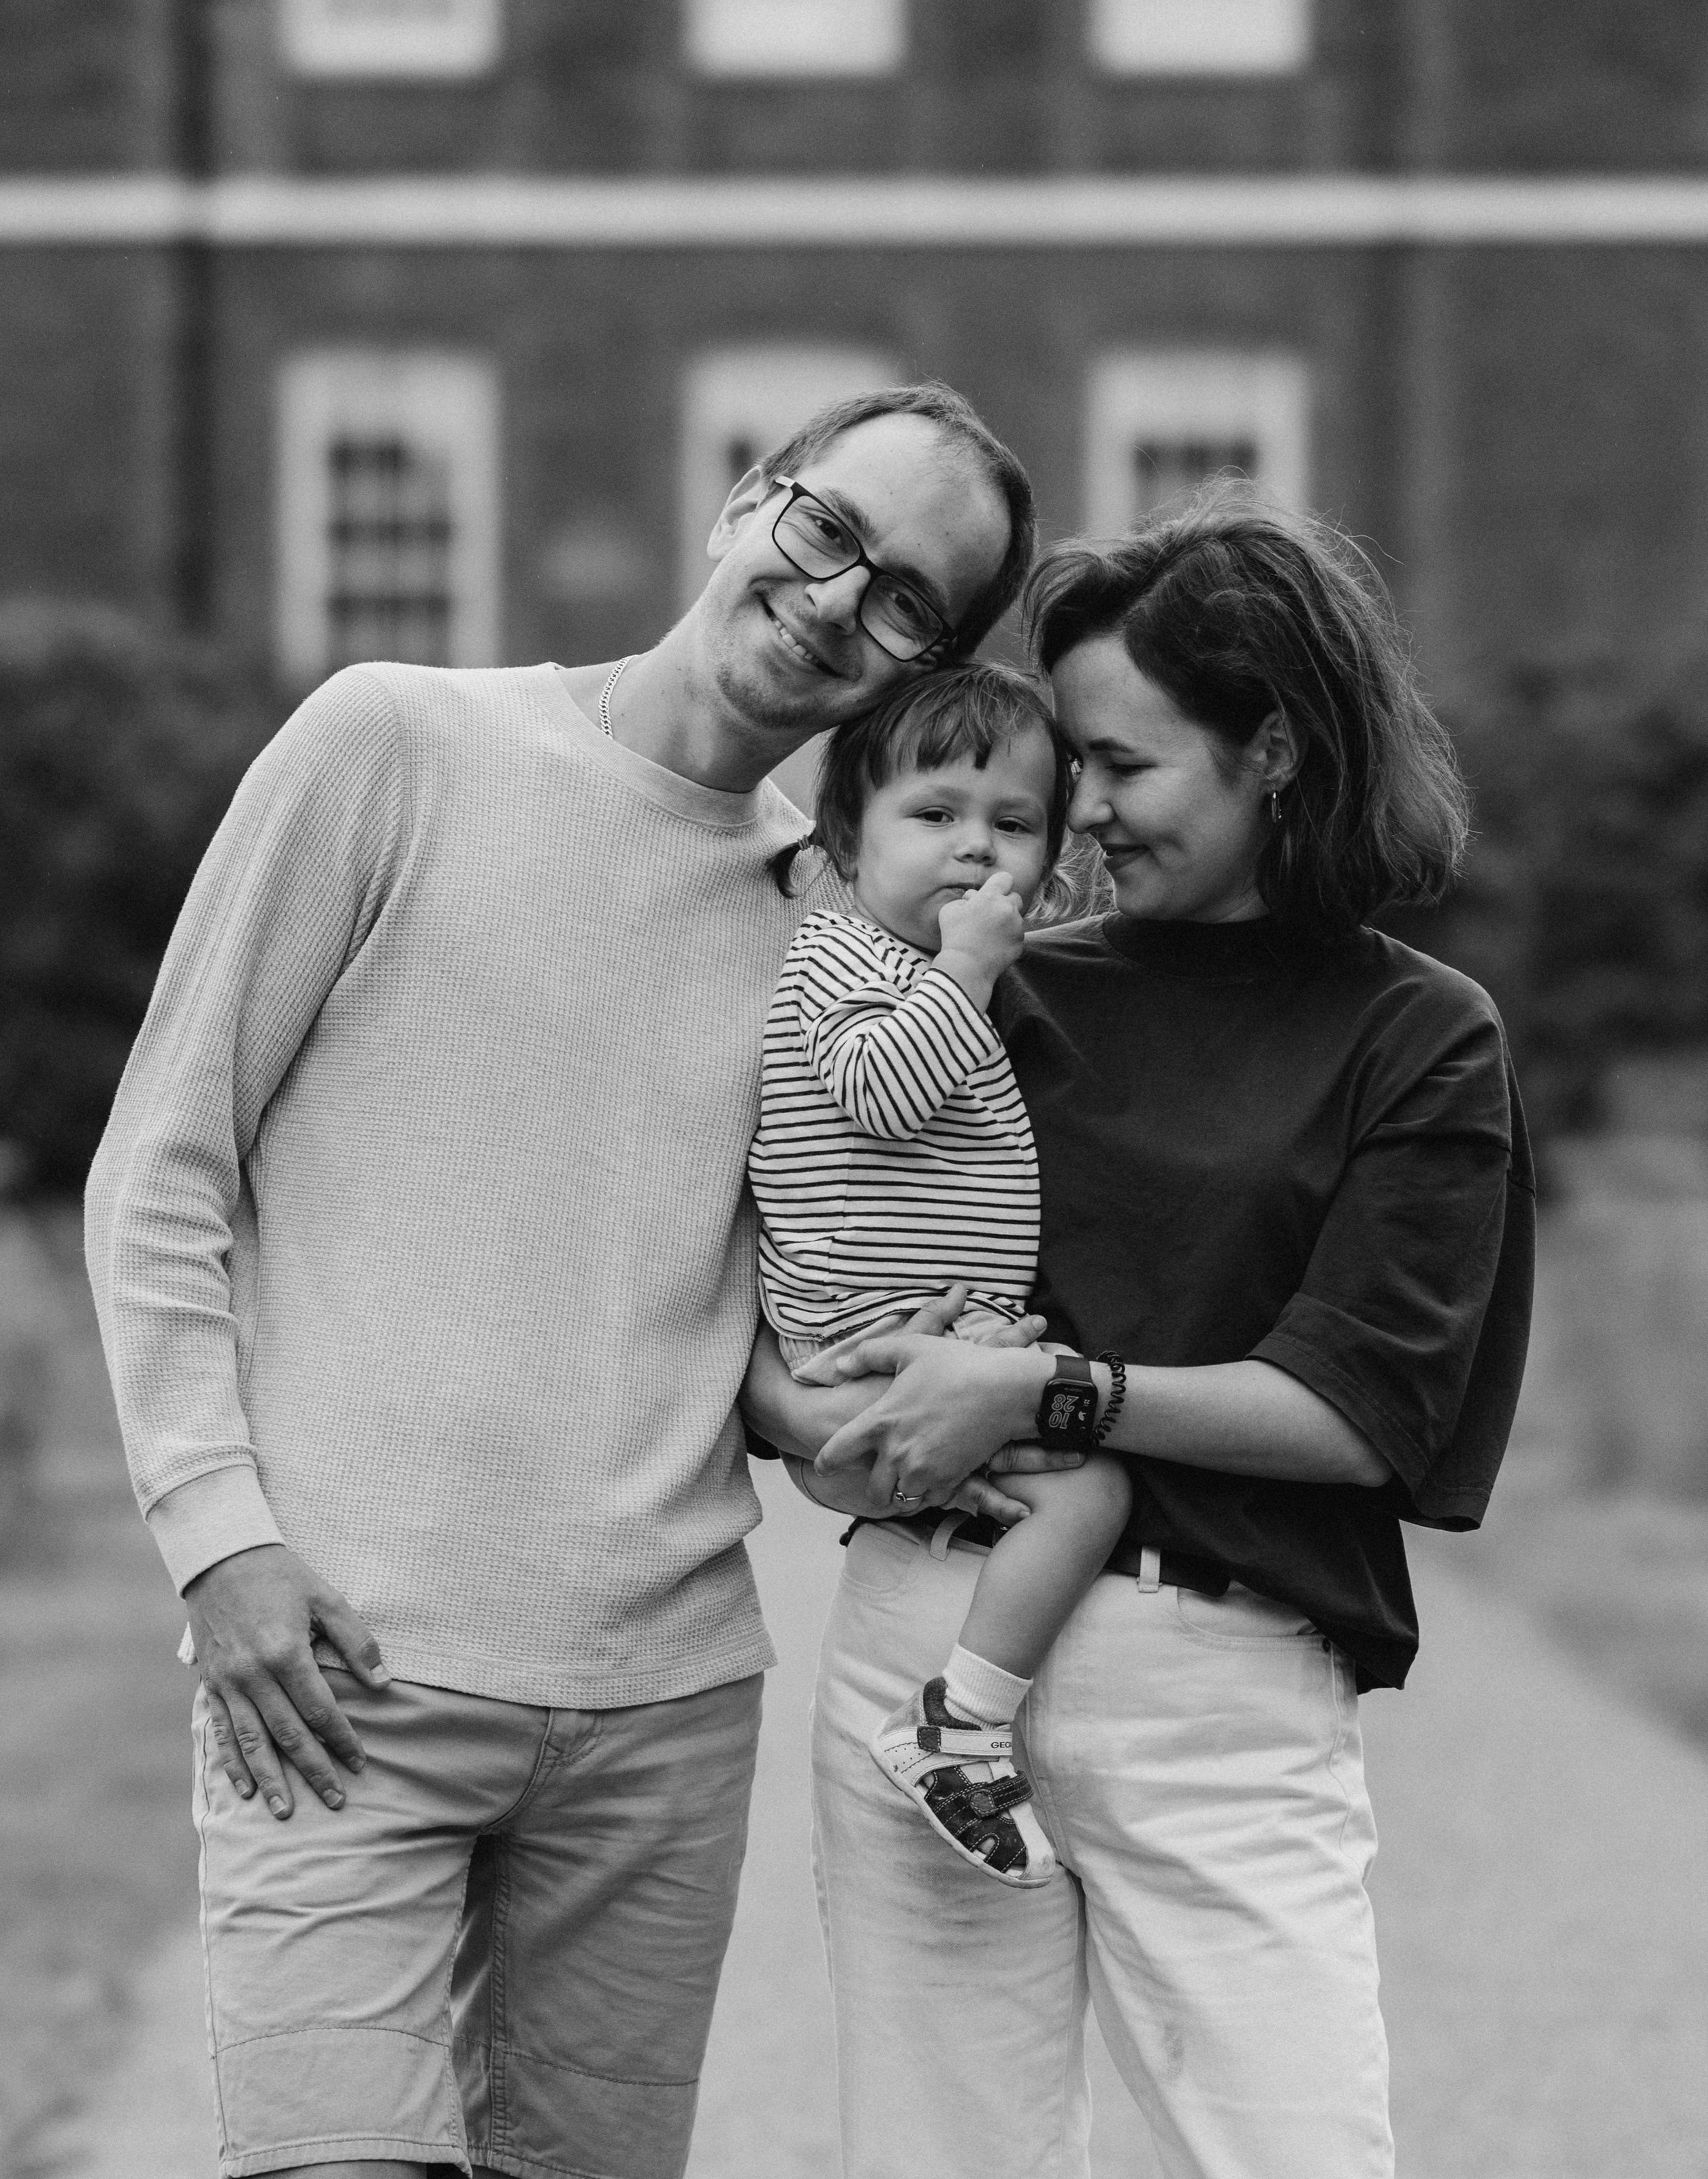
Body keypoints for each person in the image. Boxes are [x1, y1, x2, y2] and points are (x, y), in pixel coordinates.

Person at [84, 381, 1042, 2179]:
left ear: (916, 667)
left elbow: (739, 1307)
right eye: (829, 530)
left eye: (906, 597)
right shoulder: (392, 747)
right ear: (745, 505)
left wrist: (862, 1419)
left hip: (660, 1721)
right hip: (340, 1681)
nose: (840, 598)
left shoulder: (822, 936)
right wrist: (219, 1540)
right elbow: (163, 1169)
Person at [745, 488, 1536, 2179]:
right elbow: (769, 1232)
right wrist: (814, 1416)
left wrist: (1046, 1389)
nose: (1073, 818)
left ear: (1274, 750)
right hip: (924, 1638)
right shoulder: (993, 986)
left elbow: (1360, 1406)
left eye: (1120, 766)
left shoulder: (1417, 1037)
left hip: (1220, 1691)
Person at [750, 661, 1131, 1889]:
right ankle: (960, 1727)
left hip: (920, 1334)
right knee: (1090, 1496)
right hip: (862, 1336)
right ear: (847, 837)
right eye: (937, 815)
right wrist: (965, 971)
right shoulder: (835, 958)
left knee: (1034, 1497)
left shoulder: (922, 972)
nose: (978, 850)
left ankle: (961, 1707)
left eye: (1013, 825)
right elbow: (881, 1091)